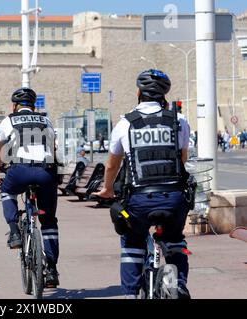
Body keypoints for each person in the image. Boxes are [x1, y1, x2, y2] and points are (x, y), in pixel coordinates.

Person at [95, 69, 192, 299]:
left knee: (132, 240)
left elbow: (111, 166)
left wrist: (107, 189)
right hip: (175, 199)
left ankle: (129, 294)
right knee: (175, 238)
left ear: (138, 92)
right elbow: (182, 159)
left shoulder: (125, 124)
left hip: (139, 200)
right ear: (164, 95)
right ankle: (179, 284)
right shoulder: (178, 121)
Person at [0, 87, 60, 288]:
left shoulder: (8, 121)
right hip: (46, 173)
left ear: (14, 105)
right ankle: (52, 270)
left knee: (7, 190)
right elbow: (54, 150)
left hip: (19, 171)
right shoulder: (46, 121)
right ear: (34, 106)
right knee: (49, 222)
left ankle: (14, 232)